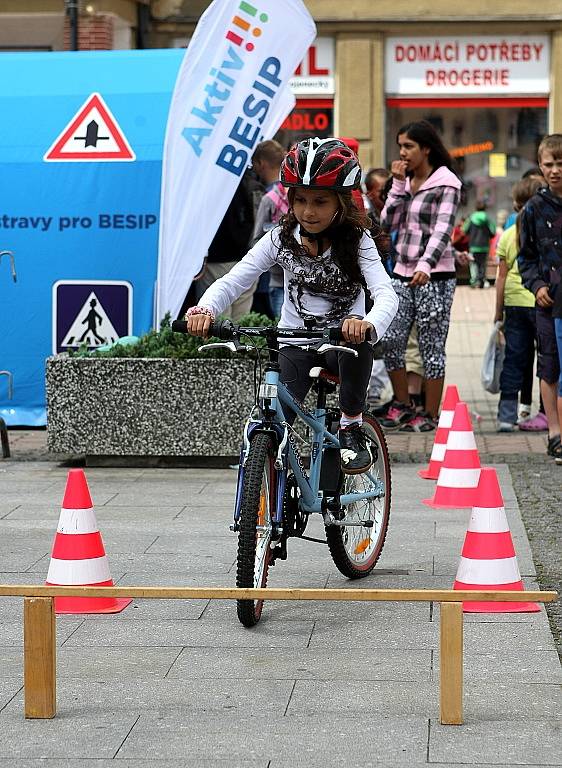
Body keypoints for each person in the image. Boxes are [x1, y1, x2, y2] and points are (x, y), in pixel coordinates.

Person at [185, 137, 399, 474]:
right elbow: (235, 279)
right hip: (295, 342)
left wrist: (368, 323)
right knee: (272, 418)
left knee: (355, 344)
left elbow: (387, 294)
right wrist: (205, 309)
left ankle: (352, 426)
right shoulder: (280, 239)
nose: (308, 212)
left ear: (341, 204)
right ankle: (274, 478)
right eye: (300, 200)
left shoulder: (358, 241)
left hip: (339, 341)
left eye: (320, 201)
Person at [379, 120, 462, 431]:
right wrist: (398, 185)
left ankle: (429, 414)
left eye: (409, 146)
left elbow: (443, 231)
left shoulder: (447, 183)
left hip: (435, 276)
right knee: (391, 339)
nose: (403, 152)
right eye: (400, 146)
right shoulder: (406, 181)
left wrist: (426, 265)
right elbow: (387, 222)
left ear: (426, 148)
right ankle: (402, 404)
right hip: (402, 271)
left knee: (431, 345)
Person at [518, 133, 562, 464]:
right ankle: (555, 432)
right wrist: (537, 286)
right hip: (548, 301)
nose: (556, 170)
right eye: (549, 164)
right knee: (549, 366)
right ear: (540, 166)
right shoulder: (533, 208)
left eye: (561, 163)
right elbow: (525, 256)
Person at [494, 177, 543, 431]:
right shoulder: (544, 230)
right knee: (547, 358)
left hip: (514, 303)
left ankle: (506, 415)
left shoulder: (508, 235)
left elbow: (501, 277)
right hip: (541, 300)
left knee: (514, 358)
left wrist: (497, 312)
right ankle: (547, 412)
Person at [195, 169, 263, 321]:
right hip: (245, 255)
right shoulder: (242, 178)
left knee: (219, 323)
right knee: (241, 320)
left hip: (221, 257)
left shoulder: (210, 182)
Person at [250, 140, 289, 318]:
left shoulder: (269, 198)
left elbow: (256, 240)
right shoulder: (296, 192)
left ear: (261, 164)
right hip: (296, 280)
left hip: (272, 279)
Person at [463, 201, 496, 289]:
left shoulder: (471, 218)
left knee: (473, 264)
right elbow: (493, 231)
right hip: (484, 246)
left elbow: (464, 230)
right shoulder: (487, 218)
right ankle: (482, 281)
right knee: (483, 264)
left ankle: (474, 281)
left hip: (473, 246)